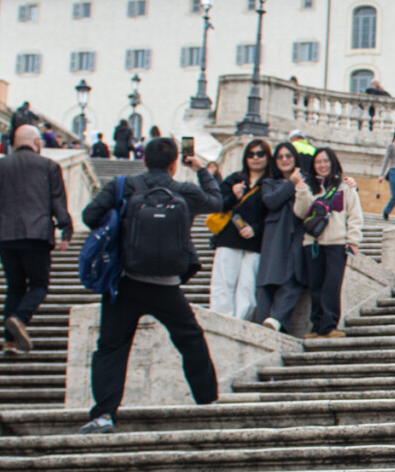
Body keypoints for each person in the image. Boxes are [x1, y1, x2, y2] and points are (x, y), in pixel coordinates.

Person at [77, 139, 226, 435]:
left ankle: (104, 414)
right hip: (167, 286)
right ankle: (207, 400)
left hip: (125, 283)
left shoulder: (123, 185)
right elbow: (217, 202)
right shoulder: (183, 190)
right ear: (174, 163)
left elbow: (89, 216)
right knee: (191, 340)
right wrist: (200, 169)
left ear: (144, 159)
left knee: (111, 347)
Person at [0, 126, 73, 354]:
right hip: (36, 235)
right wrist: (66, 231)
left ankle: (9, 340)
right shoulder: (49, 167)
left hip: (4, 236)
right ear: (36, 142)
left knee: (15, 287)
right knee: (39, 285)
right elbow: (58, 202)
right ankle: (19, 318)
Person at [297, 145, 363, 338]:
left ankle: (329, 325)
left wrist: (353, 240)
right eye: (318, 162)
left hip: (337, 242)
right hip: (313, 243)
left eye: (326, 161)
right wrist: (301, 192)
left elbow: (354, 215)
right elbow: (300, 212)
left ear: (333, 163)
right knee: (315, 285)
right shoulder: (308, 186)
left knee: (332, 284)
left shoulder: (345, 187)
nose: (322, 165)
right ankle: (316, 326)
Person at [209, 139, 274, 320]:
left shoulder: (270, 184)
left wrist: (255, 229)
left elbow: (272, 216)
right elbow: (217, 204)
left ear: (268, 157)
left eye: (260, 154)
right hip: (228, 238)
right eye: (251, 154)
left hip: (254, 242)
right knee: (223, 284)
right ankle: (221, 320)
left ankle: (240, 322)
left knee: (247, 288)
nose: (255, 158)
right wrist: (233, 196)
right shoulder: (234, 179)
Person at [246, 142, 309, 329]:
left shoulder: (306, 181)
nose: (284, 160)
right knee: (267, 280)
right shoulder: (269, 183)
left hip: (297, 234)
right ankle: (263, 322)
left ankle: (276, 320)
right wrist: (291, 183)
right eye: (280, 157)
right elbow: (271, 201)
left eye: (288, 156)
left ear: (295, 158)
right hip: (275, 235)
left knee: (293, 276)